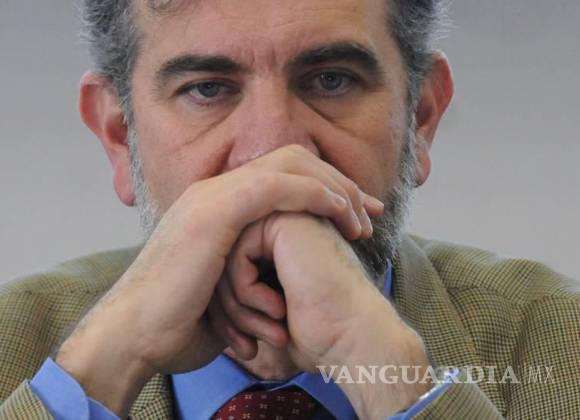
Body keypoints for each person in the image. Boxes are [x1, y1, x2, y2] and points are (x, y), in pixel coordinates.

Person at [0, 0, 578, 419]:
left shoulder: (564, 342)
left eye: (331, 80)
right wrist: (100, 372)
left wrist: (393, 379)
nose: (275, 152)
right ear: (119, 133)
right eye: (207, 89)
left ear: (420, 117)